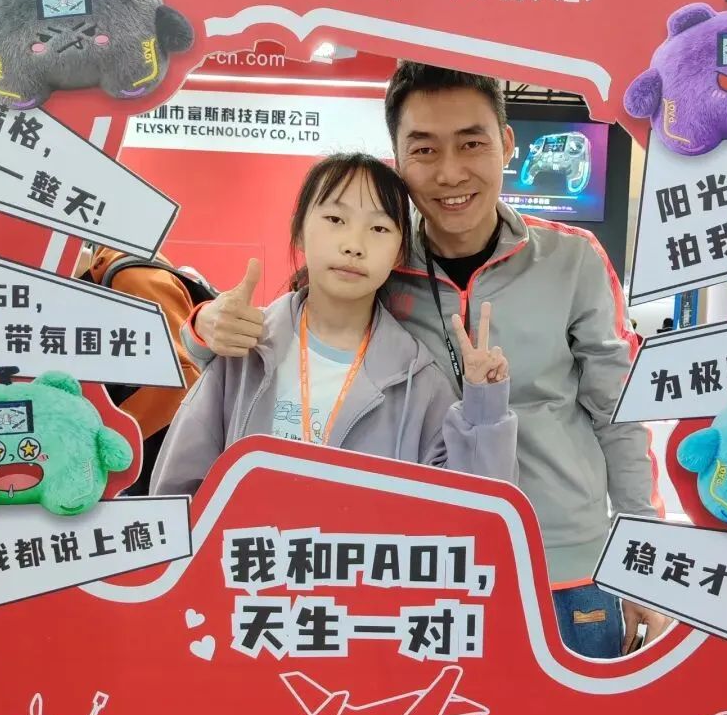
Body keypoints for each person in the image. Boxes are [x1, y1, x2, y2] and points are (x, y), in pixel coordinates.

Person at [183, 64, 668, 659]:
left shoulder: (572, 259)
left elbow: (618, 412)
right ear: (398, 157)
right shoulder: (379, 257)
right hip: (417, 569)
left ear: (506, 143)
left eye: (471, 143)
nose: (450, 172)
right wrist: (203, 324)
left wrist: (644, 554)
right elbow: (289, 330)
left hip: (561, 562)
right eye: (424, 149)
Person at [151, 152, 517, 498]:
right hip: (249, 547)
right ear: (299, 231)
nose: (354, 245)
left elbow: (473, 508)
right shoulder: (245, 353)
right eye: (335, 220)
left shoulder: (420, 382)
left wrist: (484, 406)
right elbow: (178, 492)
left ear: (399, 253)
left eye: (378, 228)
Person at [75, 243, 203, 495]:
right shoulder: (98, 284)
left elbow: (182, 377)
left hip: (162, 460)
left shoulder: (133, 278)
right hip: (142, 454)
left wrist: (104, 439)